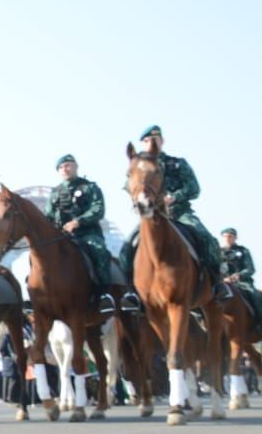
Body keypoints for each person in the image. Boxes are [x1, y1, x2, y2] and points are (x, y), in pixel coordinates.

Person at [120, 126, 230, 302]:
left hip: (179, 214)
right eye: (147, 140)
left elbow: (194, 188)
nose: (151, 143)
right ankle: (131, 292)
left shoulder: (177, 164)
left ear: (161, 142)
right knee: (126, 247)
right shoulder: (139, 165)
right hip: (151, 216)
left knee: (206, 238)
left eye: (155, 139)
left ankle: (217, 283)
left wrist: (175, 197)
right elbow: (129, 185)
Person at [45, 155, 122, 315]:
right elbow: (48, 217)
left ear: (76, 167)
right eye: (61, 167)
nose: (65, 169)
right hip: (62, 237)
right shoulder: (54, 193)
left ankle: (104, 295)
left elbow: (98, 209)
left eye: (68, 166)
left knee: (99, 251)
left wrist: (77, 222)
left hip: (87, 234)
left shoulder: (90, 187)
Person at [222, 228, 261, 321]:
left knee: (255, 296)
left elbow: (250, 269)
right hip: (222, 281)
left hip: (242, 282)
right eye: (225, 236)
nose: (227, 238)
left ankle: (259, 322)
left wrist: (237, 276)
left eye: (230, 236)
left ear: (235, 238)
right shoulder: (218, 252)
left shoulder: (243, 251)